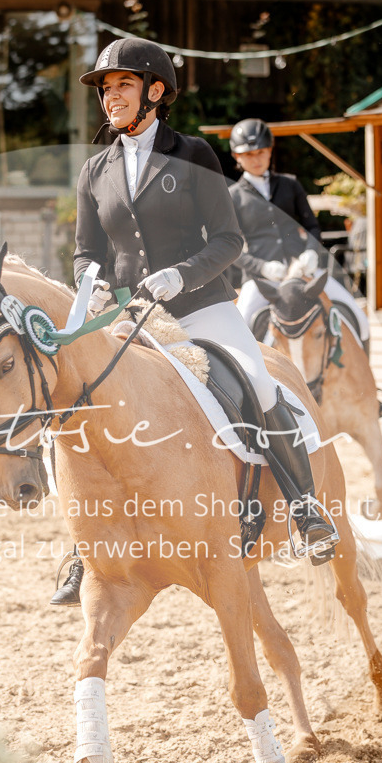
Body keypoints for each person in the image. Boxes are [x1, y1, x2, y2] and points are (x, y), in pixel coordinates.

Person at [51, 39, 339, 607]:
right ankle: (83, 547)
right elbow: (86, 252)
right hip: (131, 314)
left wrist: (181, 276)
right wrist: (93, 281)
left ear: (155, 91)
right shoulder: (94, 170)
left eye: (123, 85)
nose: (111, 97)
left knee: (257, 380)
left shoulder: (194, 154)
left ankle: (307, 508)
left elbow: (229, 240)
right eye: (106, 88)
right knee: (74, 398)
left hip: (200, 305)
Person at [228, 118, 373, 349]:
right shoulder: (233, 196)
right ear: (237, 156)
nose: (256, 159)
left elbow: (312, 227)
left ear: (270, 151)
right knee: (239, 334)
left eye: (261, 152)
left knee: (360, 318)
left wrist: (311, 252)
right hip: (262, 280)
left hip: (303, 271)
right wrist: (261, 267)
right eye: (248, 154)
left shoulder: (290, 184)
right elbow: (230, 246)